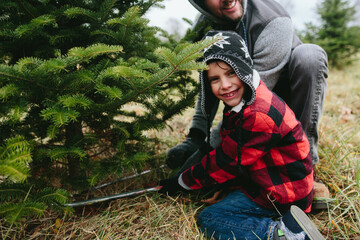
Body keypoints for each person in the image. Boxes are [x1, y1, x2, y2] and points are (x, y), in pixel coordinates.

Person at [160, 30, 325, 240]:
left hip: (281, 192)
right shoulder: (246, 99)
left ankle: (286, 233)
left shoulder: (258, 114)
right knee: (222, 196)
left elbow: (227, 161)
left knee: (212, 218)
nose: (225, 85)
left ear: (245, 67)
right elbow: (235, 150)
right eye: (214, 79)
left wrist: (182, 181)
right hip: (266, 180)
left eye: (231, 72)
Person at [166, 0, 329, 201]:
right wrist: (196, 137)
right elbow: (208, 83)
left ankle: (304, 168)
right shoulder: (205, 26)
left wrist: (204, 157)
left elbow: (251, 103)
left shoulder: (273, 21)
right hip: (242, 101)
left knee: (309, 56)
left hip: (274, 101)